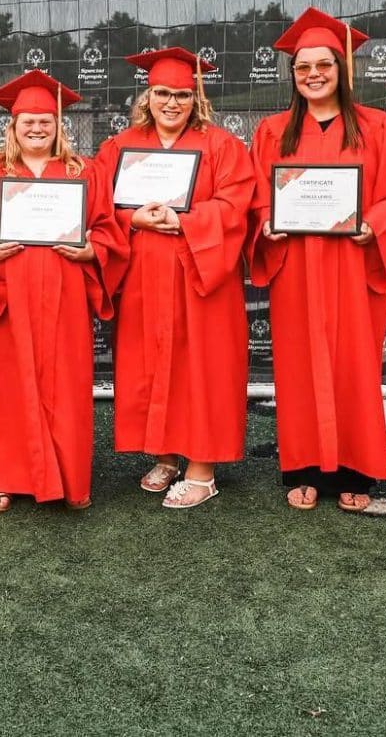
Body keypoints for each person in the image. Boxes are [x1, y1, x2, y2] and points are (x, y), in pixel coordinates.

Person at [250, 9, 386, 512]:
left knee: (354, 367)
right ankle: (303, 469)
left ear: (341, 68)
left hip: (352, 267)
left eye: (323, 65)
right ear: (293, 74)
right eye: (303, 67)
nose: (313, 75)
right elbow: (254, 196)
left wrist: (376, 223)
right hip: (296, 267)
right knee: (298, 369)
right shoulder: (272, 131)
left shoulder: (379, 126)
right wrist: (265, 221)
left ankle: (356, 469)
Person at [0, 71, 128, 512]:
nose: (37, 128)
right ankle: (6, 479)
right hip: (8, 295)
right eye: (28, 121)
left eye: (45, 121)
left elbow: (109, 231)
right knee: (7, 389)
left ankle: (71, 480)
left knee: (67, 388)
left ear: (59, 125)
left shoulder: (86, 172)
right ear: (12, 126)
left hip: (66, 297)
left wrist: (92, 250)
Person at [93, 48, 253, 509]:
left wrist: (185, 220)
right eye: (163, 93)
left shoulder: (221, 146)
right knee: (150, 362)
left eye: (182, 95)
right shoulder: (120, 147)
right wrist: (132, 219)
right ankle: (164, 455)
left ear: (196, 98)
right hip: (143, 274)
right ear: (148, 96)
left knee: (202, 367)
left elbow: (235, 205)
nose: (172, 102)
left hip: (200, 273)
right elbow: (98, 207)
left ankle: (202, 471)